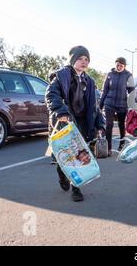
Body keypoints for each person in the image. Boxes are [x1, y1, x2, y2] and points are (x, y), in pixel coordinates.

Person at [46, 46, 106, 202]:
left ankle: (76, 188)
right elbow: (51, 94)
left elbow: (94, 106)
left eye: (87, 59)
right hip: (67, 119)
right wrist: (61, 111)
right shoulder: (61, 76)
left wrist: (100, 124)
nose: (84, 62)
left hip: (84, 123)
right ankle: (61, 172)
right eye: (80, 58)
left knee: (80, 155)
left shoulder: (90, 81)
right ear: (73, 60)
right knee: (67, 154)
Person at [99, 57, 136, 156]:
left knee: (121, 124)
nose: (119, 67)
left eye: (121, 65)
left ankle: (122, 143)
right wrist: (101, 105)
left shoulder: (128, 76)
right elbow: (105, 90)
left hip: (122, 104)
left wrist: (133, 106)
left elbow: (132, 92)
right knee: (109, 125)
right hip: (109, 103)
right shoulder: (110, 75)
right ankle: (109, 148)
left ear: (124, 66)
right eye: (117, 65)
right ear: (115, 65)